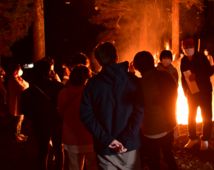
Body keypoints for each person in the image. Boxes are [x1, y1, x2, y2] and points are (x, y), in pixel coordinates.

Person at [80, 42, 144, 170]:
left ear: (98, 62)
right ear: (117, 56)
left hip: (105, 148)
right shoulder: (134, 81)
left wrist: (108, 140)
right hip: (129, 147)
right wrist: (126, 139)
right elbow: (139, 112)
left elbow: (86, 115)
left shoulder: (92, 85)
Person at [133, 51, 179, 170]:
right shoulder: (167, 76)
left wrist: (131, 73)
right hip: (169, 127)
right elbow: (174, 96)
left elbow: (133, 106)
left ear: (137, 67)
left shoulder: (138, 85)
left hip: (150, 132)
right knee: (169, 155)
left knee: (153, 161)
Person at [20, 59, 65, 170]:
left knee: (42, 152)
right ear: (49, 71)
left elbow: (24, 110)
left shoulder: (28, 92)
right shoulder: (58, 87)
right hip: (56, 123)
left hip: (39, 124)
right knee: (58, 150)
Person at [58, 65, 97, 170]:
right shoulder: (93, 93)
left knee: (74, 166)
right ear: (87, 78)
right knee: (94, 166)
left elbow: (61, 113)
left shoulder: (63, 93)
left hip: (71, 138)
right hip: (91, 138)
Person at [180, 38, 214, 150]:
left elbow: (210, 71)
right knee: (191, 116)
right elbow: (183, 77)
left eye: (190, 47)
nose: (189, 49)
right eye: (186, 47)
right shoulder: (183, 61)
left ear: (194, 47)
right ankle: (193, 138)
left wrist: (197, 75)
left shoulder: (202, 58)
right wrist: (185, 91)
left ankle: (205, 139)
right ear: (183, 49)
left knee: (206, 116)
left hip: (204, 92)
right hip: (192, 93)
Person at [7, 63, 29, 143]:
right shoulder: (13, 80)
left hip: (19, 103)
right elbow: (24, 87)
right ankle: (15, 137)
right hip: (16, 104)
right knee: (17, 121)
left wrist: (22, 80)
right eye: (20, 69)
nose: (21, 70)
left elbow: (27, 85)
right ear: (16, 70)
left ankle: (18, 134)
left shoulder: (17, 79)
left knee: (20, 119)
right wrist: (23, 82)